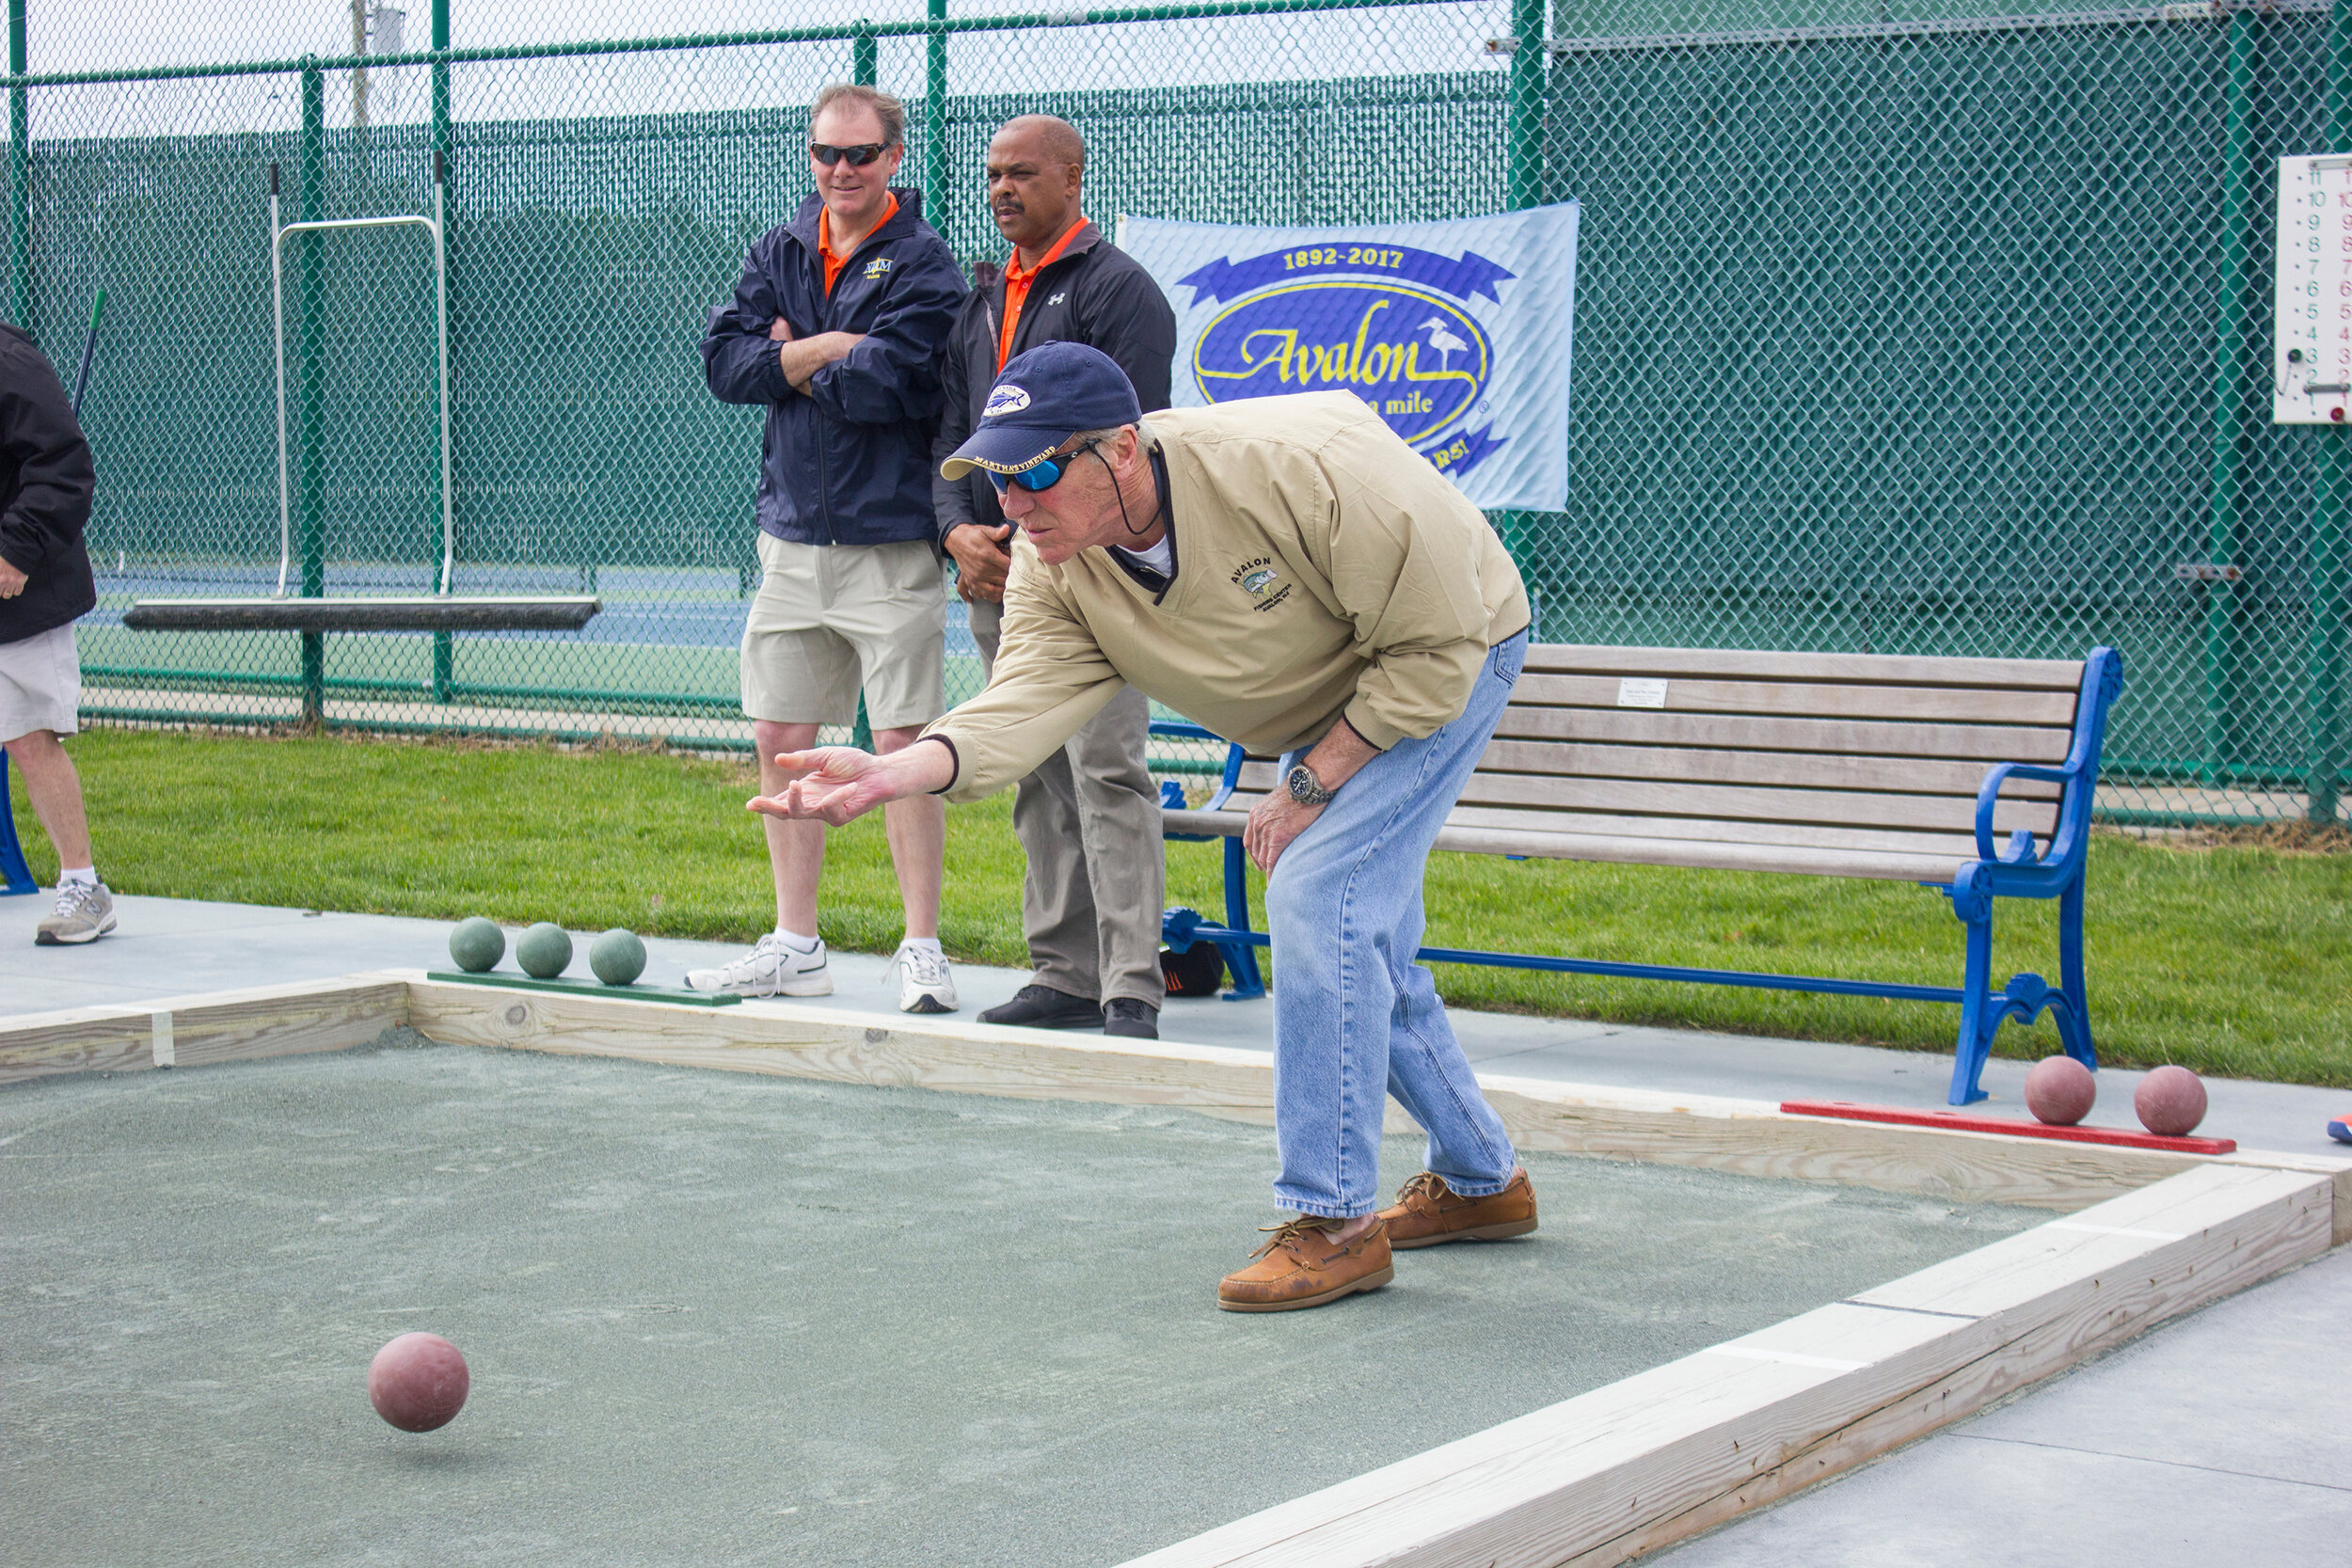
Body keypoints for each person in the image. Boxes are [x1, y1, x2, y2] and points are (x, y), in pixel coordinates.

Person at [755, 342, 1538, 1312]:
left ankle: (1335, 1221)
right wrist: (894, 768)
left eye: (1038, 470)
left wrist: (1306, 782)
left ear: (1121, 450)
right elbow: (1022, 702)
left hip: (1445, 656)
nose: (1015, 504)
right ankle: (1481, 1177)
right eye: (998, 476)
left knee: (1317, 895)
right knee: (1358, 934)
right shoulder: (1058, 563)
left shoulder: (1298, 470)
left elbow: (1433, 647)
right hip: (1329, 686)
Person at [694, 83, 967, 1012]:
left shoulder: (927, 266)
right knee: (780, 735)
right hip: (792, 539)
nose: (842, 171)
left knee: (900, 746)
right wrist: (825, 351)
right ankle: (795, 943)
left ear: (895, 156)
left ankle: (922, 947)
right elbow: (725, 365)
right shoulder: (778, 248)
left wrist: (790, 358)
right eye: (826, 154)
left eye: (860, 154)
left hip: (889, 540)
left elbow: (896, 384)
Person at [934, 115, 1177, 1041]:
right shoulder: (983, 296)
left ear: (1073, 177)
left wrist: (1046, 538)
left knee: (1105, 768)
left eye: (1022, 173)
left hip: (1092, 573)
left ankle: (1129, 985)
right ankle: (1064, 970)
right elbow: (950, 435)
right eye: (992, 174)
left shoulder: (1119, 291)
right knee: (1033, 767)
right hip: (1000, 573)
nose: (1001, 188)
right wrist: (960, 532)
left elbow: (1130, 448)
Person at [0, 323, 110, 947]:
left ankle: (83, 884)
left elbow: (64, 463)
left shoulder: (9, 359)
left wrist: (17, 548)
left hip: (21, 586)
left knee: (28, 736)